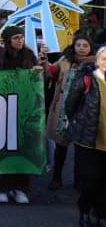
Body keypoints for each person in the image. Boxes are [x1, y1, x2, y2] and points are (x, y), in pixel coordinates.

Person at [0, 25, 42, 204]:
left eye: (22, 37)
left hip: (24, 108)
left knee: (23, 147)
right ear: (8, 39)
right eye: (16, 38)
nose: (20, 41)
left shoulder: (29, 55)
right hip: (2, 107)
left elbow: (38, 78)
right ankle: (0, 187)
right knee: (2, 148)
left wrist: (38, 71)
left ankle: (19, 187)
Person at [44, 35, 95, 190]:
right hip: (63, 107)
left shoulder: (97, 63)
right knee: (61, 144)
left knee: (82, 148)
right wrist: (44, 62)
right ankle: (57, 177)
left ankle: (80, 180)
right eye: (78, 45)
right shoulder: (65, 60)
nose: (81, 48)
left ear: (90, 48)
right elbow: (52, 72)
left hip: (87, 109)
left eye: (85, 45)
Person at [64, 46, 106, 226]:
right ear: (97, 60)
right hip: (88, 140)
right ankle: (84, 212)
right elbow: (70, 104)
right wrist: (78, 124)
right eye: (104, 58)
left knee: (105, 181)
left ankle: (101, 213)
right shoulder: (87, 78)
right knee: (90, 180)